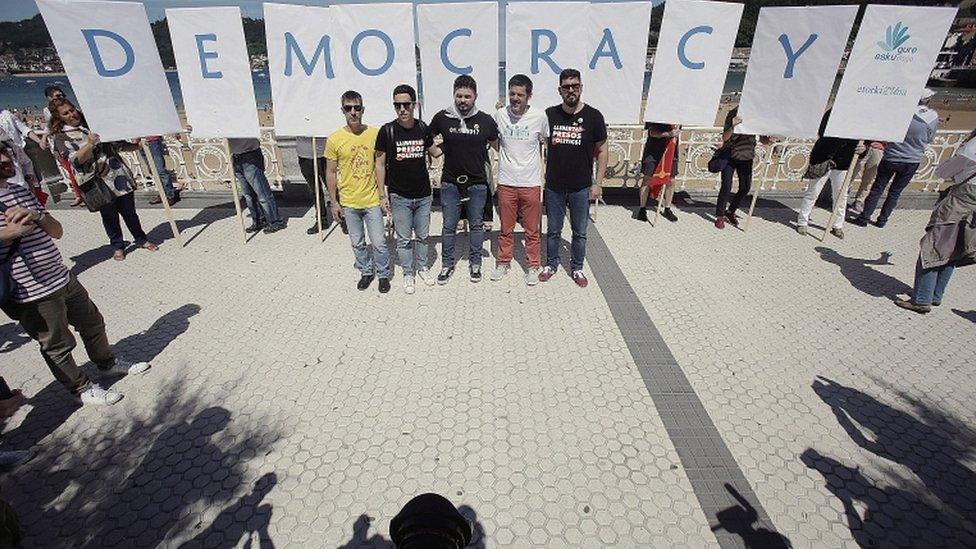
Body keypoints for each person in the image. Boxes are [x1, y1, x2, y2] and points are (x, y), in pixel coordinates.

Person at [0, 141, 150, 406]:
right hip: (29, 291)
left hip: (61, 276)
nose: (5, 159)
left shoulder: (19, 191)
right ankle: (80, 387)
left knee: (92, 322)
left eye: (7, 153)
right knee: (57, 344)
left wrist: (35, 216)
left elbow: (56, 231)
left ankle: (107, 364)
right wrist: (10, 233)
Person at [48, 98, 159, 261]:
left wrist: (138, 145)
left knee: (130, 213)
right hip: (96, 182)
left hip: (117, 175)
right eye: (66, 113)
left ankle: (141, 239)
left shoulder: (94, 125)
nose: (72, 114)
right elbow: (75, 160)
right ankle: (117, 245)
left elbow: (118, 145)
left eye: (72, 110)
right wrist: (90, 144)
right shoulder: (61, 137)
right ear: (59, 118)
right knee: (109, 216)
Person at [540, 68, 608, 288]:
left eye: (575, 86)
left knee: (580, 232)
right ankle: (551, 264)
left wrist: (598, 182)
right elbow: (534, 135)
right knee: (553, 230)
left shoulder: (594, 116)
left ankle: (577, 267)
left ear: (581, 88)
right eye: (566, 87)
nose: (571, 90)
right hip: (554, 185)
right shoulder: (549, 115)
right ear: (560, 90)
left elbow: (603, 150)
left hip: (581, 186)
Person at [429, 75, 500, 284]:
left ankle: (475, 263)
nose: (463, 100)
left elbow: (500, 146)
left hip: (477, 182)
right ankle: (446, 264)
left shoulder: (485, 120)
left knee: (477, 225)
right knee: (449, 225)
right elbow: (426, 137)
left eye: (467, 96)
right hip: (450, 182)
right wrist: (437, 151)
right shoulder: (443, 117)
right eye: (459, 96)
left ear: (475, 96)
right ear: (454, 95)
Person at [895, 132, 976, 314]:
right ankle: (935, 294)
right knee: (954, 249)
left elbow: (943, 172)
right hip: (973, 210)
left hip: (960, 203)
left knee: (933, 247)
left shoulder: (972, 148)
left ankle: (922, 299)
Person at [375, 84, 441, 294]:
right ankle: (408, 273)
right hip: (399, 195)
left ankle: (422, 267)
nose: (402, 109)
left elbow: (435, 152)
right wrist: (381, 195)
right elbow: (378, 164)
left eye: (406, 104)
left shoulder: (422, 128)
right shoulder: (387, 131)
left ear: (414, 104)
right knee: (403, 240)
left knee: (422, 237)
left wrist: (460, 138)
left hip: (423, 194)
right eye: (397, 105)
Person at [325, 90, 392, 293]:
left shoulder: (374, 133)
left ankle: (383, 274)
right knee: (357, 242)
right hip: (349, 201)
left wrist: (382, 195)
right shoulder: (335, 138)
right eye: (348, 108)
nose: (353, 112)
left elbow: (380, 166)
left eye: (357, 108)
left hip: (371, 199)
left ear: (363, 109)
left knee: (379, 242)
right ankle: (366, 271)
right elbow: (330, 172)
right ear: (342, 110)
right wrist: (334, 202)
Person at [491, 74, 549, 285]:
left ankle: (533, 266)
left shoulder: (540, 117)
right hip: (506, 181)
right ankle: (503, 262)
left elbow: (545, 140)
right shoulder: (499, 115)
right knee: (506, 228)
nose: (515, 98)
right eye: (512, 94)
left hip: (531, 182)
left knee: (532, 230)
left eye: (520, 95)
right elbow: (496, 142)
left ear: (529, 96)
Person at [852, 89, 939, 228]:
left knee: (878, 188)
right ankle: (882, 221)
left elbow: (888, 132)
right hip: (912, 159)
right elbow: (930, 139)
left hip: (891, 156)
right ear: (927, 101)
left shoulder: (902, 113)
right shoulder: (933, 118)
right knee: (895, 192)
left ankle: (864, 217)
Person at [796, 109, 858, 239]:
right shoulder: (833, 112)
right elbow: (822, 132)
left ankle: (838, 225)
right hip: (823, 157)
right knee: (813, 192)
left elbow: (863, 142)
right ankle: (802, 221)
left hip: (844, 161)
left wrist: (862, 149)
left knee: (841, 195)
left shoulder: (859, 117)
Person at [715, 107, 768, 229]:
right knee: (726, 186)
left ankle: (730, 211)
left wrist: (769, 139)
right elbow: (725, 137)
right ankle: (720, 215)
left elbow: (763, 139)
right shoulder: (734, 113)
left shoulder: (756, 113)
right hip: (730, 155)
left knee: (745, 187)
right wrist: (733, 125)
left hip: (746, 155)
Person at [227, 138, 285, 234]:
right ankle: (258, 220)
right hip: (236, 157)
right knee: (248, 195)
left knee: (262, 193)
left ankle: (275, 221)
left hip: (250, 155)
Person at [637, 122, 680, 223]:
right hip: (653, 151)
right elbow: (652, 132)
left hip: (671, 150)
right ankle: (642, 209)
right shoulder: (655, 112)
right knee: (647, 179)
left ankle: (667, 208)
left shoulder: (678, 113)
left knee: (671, 180)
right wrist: (668, 134)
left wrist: (674, 134)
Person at [295, 135, 335, 235]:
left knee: (333, 188)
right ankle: (321, 220)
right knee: (315, 191)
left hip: (322, 154)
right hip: (304, 156)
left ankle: (342, 217)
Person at [847, 141, 885, 216]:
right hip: (861, 144)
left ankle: (859, 201)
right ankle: (842, 199)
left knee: (869, 179)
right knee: (850, 175)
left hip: (879, 147)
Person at [142, 135, 181, 206]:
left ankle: (169, 195)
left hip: (152, 140)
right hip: (140, 142)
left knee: (160, 170)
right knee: (153, 171)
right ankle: (163, 194)